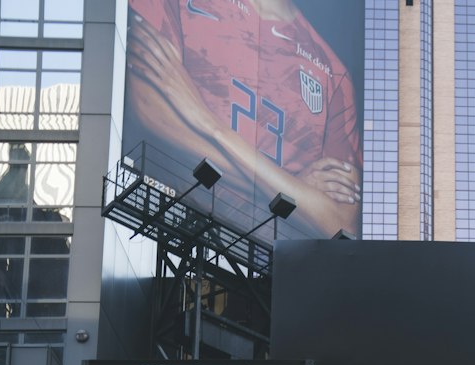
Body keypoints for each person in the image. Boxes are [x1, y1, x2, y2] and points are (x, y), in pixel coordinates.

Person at [125, 0, 361, 238]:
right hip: (173, 224)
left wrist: (211, 125)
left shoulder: (333, 72)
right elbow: (149, 110)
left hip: (268, 262)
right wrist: (291, 190)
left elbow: (340, 223)